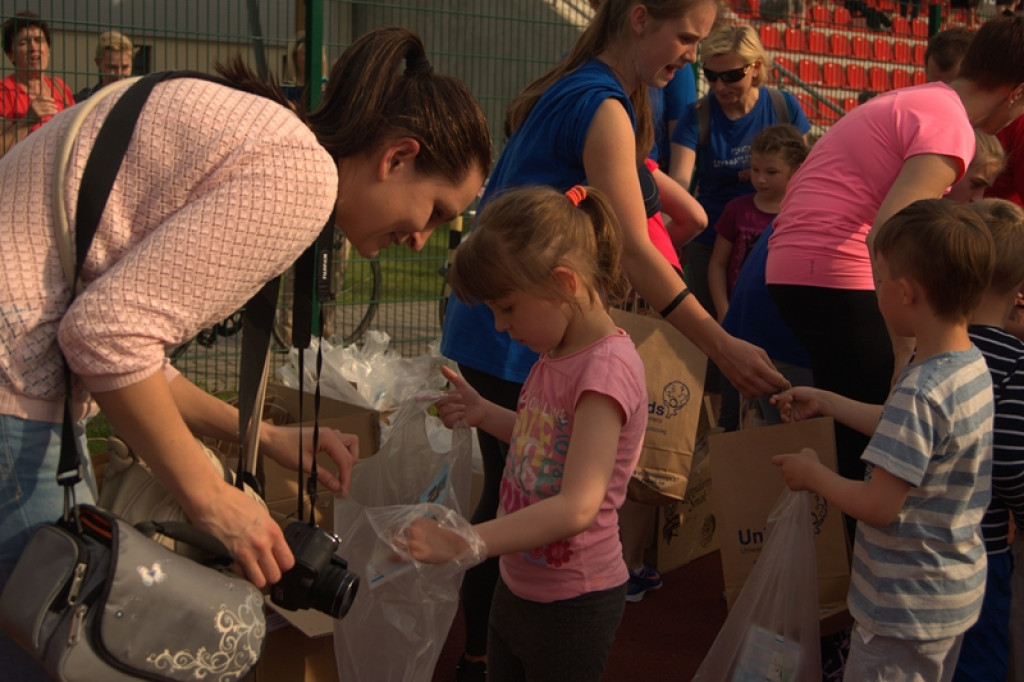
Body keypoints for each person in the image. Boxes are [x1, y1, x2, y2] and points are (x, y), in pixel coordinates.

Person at [0, 26, 491, 681]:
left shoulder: (269, 134)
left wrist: (263, 436)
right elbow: (105, 339)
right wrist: (216, 503)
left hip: (22, 378)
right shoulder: (301, 175)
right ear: (397, 157)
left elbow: (125, 345)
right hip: (14, 393)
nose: (422, 240)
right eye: (434, 211)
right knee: (49, 646)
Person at [440, 2, 789, 677]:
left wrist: (463, 540)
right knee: (519, 487)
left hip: (566, 593)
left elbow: (573, 503)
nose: (690, 57)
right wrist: (718, 343)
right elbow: (634, 244)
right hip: (519, 328)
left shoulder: (584, 94)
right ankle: (482, 655)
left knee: (521, 491)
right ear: (638, 18)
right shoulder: (602, 106)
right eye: (684, 38)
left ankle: (480, 656)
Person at [766, 14, 1024, 510]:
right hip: (835, 271)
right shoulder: (951, 126)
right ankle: (863, 573)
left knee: (857, 431)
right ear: (1014, 92)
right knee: (874, 450)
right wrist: (908, 349)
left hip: (800, 267)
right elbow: (891, 234)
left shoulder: (923, 100)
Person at [407, 185, 647, 682]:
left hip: (574, 600)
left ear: (564, 282)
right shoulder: (556, 354)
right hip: (520, 583)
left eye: (508, 308)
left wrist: (466, 541)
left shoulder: (605, 369)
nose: (499, 325)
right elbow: (546, 441)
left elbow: (578, 505)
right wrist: (485, 413)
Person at [772, 198, 996, 682]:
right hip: (948, 592)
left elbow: (879, 505)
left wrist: (815, 475)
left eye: (878, 282)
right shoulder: (966, 364)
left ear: (907, 293)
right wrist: (830, 402)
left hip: (901, 605)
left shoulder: (921, 390)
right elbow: (909, 440)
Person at [668, 23, 810, 324]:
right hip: (712, 243)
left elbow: (804, 176)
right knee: (713, 335)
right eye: (711, 76)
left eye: (731, 76)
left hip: (775, 237)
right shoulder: (697, 116)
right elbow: (679, 184)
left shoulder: (783, 107)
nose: (719, 86)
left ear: (755, 67)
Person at [953, 198, 1024, 682]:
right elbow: (1013, 464)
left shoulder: (932, 347)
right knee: (981, 660)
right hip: (985, 546)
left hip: (926, 545)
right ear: (1019, 290)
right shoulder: (1015, 360)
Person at [708, 124, 807, 324]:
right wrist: (723, 309)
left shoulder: (801, 216)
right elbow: (717, 264)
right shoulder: (736, 209)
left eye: (771, 172)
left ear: (796, 170)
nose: (761, 179)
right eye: (755, 170)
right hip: (739, 315)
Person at [0, 11, 73, 159]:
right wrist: (27, 121)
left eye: (39, 40)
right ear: (10, 55)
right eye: (24, 43)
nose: (34, 47)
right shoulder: (3, 91)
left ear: (48, 50)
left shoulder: (60, 87)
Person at [73, 29, 134, 102]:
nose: (119, 73)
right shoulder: (84, 100)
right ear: (98, 63)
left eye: (125, 67)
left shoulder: (142, 99)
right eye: (112, 67)